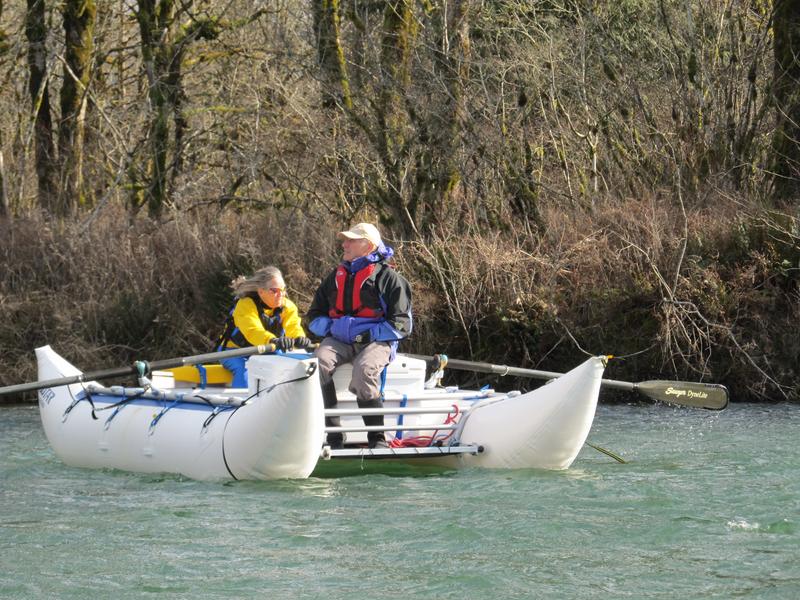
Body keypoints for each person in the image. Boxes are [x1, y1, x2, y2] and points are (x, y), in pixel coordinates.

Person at [307, 223, 412, 449]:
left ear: (369, 246)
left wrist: (366, 335)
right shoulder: (334, 277)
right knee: (318, 364)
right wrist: (331, 330)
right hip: (338, 340)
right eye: (345, 240)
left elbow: (402, 325)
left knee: (364, 370)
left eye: (352, 240)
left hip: (377, 341)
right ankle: (334, 434)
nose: (344, 244)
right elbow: (314, 317)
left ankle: (377, 439)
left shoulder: (389, 278)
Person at [216, 266, 311, 387]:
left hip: (266, 348)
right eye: (274, 291)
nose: (281, 294)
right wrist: (272, 340)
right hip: (234, 351)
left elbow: (293, 326)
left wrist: (299, 338)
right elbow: (253, 331)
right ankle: (242, 404)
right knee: (244, 370)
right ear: (261, 291)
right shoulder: (245, 304)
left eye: (283, 290)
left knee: (285, 365)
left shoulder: (287, 307)